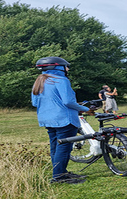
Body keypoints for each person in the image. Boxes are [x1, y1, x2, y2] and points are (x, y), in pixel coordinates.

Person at [32, 56, 92, 184]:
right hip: (64, 119)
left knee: (55, 147)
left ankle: (60, 172)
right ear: (58, 67)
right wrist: (85, 109)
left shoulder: (39, 81)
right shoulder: (61, 80)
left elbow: (35, 102)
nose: (68, 69)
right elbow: (68, 101)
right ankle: (59, 176)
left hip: (47, 119)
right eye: (66, 66)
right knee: (64, 147)